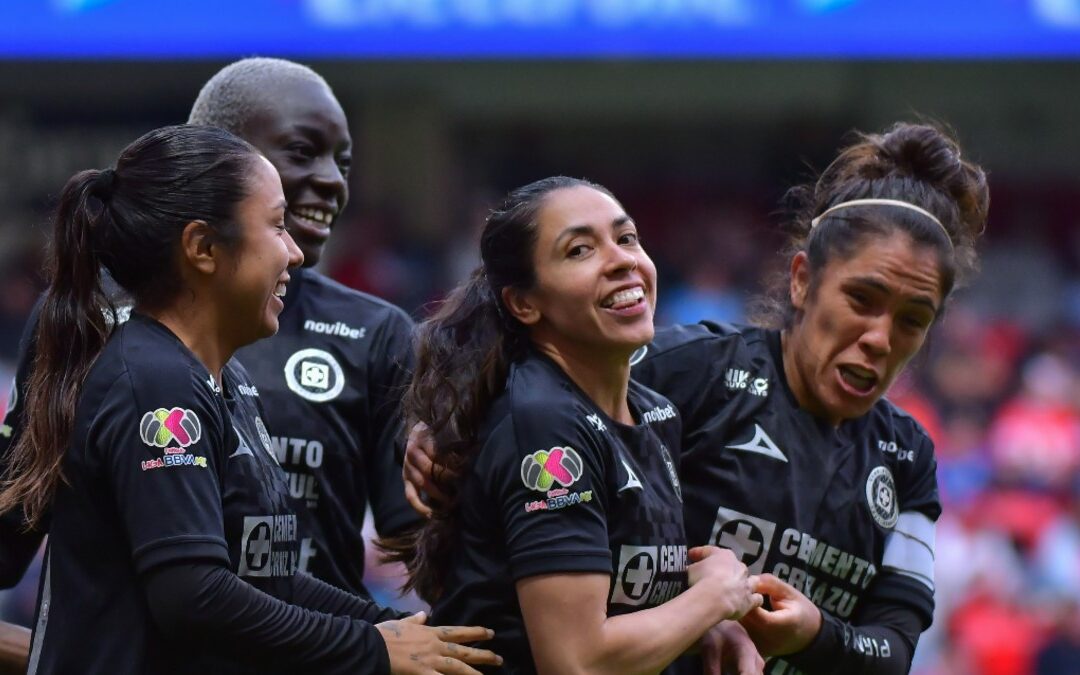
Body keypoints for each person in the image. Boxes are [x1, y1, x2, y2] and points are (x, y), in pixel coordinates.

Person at [404, 123, 989, 674]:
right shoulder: (688, 371)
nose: (881, 338)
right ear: (802, 280)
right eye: (862, 300)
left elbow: (894, 649)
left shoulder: (908, 457)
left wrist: (814, 634)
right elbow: (541, 385)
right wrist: (444, 427)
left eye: (913, 320)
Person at [0, 124, 499, 674]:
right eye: (277, 226)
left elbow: (268, 576)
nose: (295, 254)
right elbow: (193, 594)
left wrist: (394, 629)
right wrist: (373, 648)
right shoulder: (155, 382)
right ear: (203, 248)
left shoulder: (223, 377)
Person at [0, 57, 421, 600]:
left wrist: (470, 473)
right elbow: (15, 530)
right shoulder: (90, 317)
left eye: (343, 162)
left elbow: (418, 546)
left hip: (316, 635)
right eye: (301, 152)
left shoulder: (376, 332)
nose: (332, 181)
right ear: (214, 159)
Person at [383, 176, 763, 674]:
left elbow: (620, 599)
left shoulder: (654, 411)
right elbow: (576, 661)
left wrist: (703, 618)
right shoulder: (547, 426)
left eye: (627, 238)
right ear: (524, 303)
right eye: (580, 250)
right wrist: (713, 598)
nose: (622, 260)